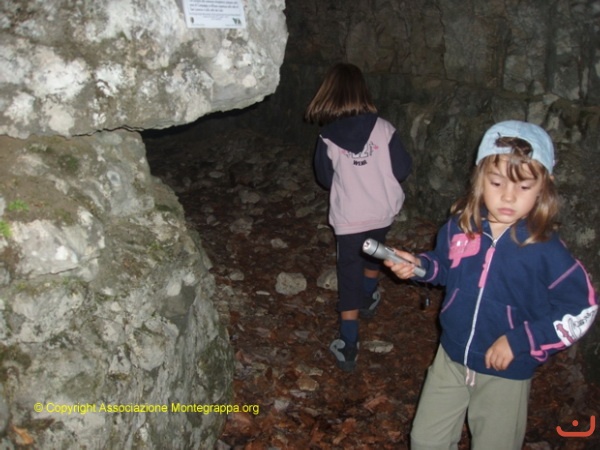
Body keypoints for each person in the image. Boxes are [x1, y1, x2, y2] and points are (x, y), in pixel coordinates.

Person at [385, 120, 598, 449]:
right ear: (479, 177)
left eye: (524, 186)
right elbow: (445, 267)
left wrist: (520, 341)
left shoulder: (546, 250)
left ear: (543, 187)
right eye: (496, 182)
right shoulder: (461, 226)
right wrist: (419, 267)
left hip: (505, 370)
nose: (508, 196)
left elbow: (582, 308)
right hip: (451, 355)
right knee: (425, 440)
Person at [304, 62, 413, 371]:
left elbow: (325, 179)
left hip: (350, 217)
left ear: (328, 95)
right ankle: (369, 295)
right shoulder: (385, 129)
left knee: (348, 270)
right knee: (375, 250)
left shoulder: (327, 137)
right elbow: (402, 169)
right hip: (381, 212)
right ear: (363, 92)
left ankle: (349, 342)